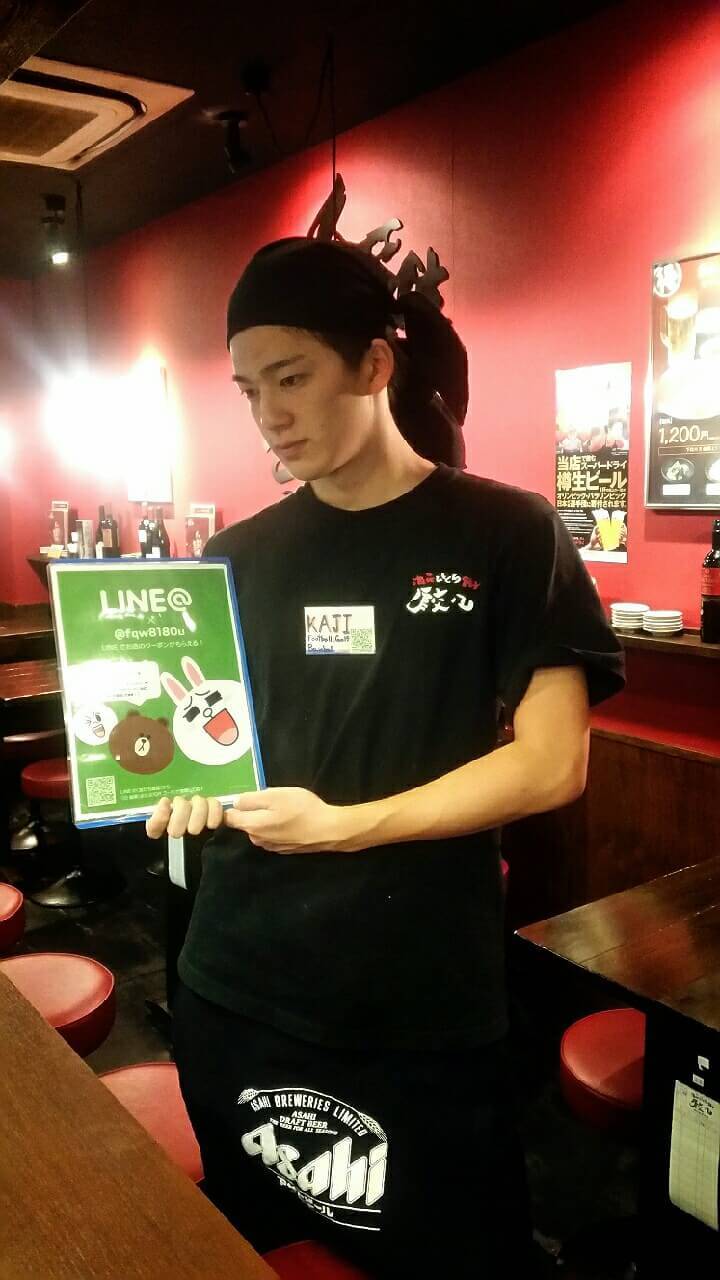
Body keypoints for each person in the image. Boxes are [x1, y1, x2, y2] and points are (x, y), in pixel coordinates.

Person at [147, 236, 625, 1278]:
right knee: (257, 1249)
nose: (269, 415)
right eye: (249, 390)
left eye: (292, 377)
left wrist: (342, 827)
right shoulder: (235, 557)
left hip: (414, 994)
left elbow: (553, 764)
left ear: (373, 364)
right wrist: (176, 781)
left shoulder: (507, 532)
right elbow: (213, 738)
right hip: (238, 979)